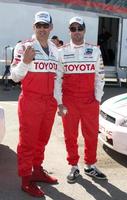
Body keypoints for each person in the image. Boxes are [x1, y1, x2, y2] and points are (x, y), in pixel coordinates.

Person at [11, 11, 58, 197]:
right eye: (38, 25)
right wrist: (24, 62)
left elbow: (59, 78)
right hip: (31, 101)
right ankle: (25, 180)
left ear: (51, 27)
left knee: (42, 139)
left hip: (49, 102)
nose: (42, 29)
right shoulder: (24, 47)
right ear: (34, 27)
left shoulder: (55, 49)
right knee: (27, 142)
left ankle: (37, 170)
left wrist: (59, 101)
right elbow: (15, 77)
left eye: (45, 26)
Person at [54, 16, 106, 184]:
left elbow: (100, 76)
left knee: (91, 135)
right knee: (70, 135)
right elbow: (57, 79)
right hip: (69, 102)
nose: (76, 32)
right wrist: (59, 102)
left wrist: (97, 98)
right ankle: (73, 166)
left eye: (79, 28)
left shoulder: (95, 50)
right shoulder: (61, 51)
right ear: (69, 31)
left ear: (84, 30)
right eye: (73, 29)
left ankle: (90, 165)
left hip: (90, 100)